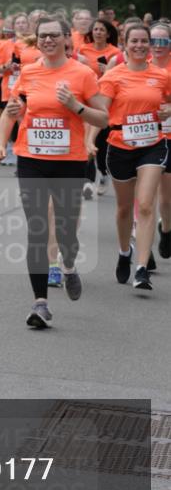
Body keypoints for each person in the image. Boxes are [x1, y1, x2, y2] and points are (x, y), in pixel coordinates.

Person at [0, 15, 107, 329]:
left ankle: (68, 265)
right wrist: (1, 144)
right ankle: (40, 303)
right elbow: (11, 112)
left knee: (66, 231)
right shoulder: (29, 72)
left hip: (69, 161)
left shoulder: (82, 74)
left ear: (66, 38)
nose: (48, 40)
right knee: (38, 229)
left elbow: (103, 118)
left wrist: (75, 106)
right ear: (37, 39)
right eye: (43, 35)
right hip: (31, 158)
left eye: (54, 35)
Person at [90, 22, 171, 290]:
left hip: (153, 143)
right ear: (124, 44)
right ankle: (125, 251)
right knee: (125, 209)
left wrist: (168, 111)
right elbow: (100, 114)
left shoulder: (161, 75)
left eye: (144, 41)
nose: (139, 45)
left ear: (150, 45)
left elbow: (169, 102)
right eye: (134, 41)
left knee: (146, 205)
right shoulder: (113, 76)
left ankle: (142, 268)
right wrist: (89, 140)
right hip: (120, 146)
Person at [78, 19, 119, 199]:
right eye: (95, 29)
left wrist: (107, 71)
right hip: (86, 99)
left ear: (108, 34)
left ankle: (103, 173)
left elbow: (118, 78)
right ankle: (87, 181)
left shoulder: (115, 52)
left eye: (102, 30)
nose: (98, 33)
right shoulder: (83, 50)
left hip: (104, 101)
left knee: (101, 143)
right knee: (86, 140)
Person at [150, 21, 171, 258]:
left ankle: (166, 230)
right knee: (145, 196)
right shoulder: (140, 66)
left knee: (166, 197)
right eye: (153, 40)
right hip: (145, 137)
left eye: (163, 41)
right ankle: (144, 253)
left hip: (169, 136)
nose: (158, 45)